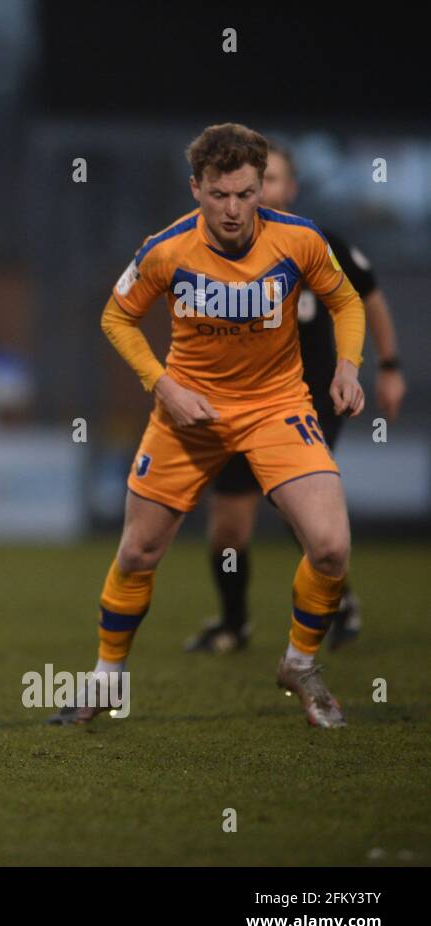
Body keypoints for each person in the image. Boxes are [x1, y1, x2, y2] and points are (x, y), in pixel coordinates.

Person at [47, 123, 364, 729]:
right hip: (187, 415)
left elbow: (346, 299)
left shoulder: (297, 240)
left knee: (330, 547)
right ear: (196, 188)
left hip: (278, 409)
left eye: (247, 193)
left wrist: (348, 366)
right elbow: (118, 317)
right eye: (220, 194)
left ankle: (299, 663)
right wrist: (163, 384)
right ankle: (106, 677)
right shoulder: (165, 249)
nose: (234, 209)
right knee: (138, 552)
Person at [185, 142, 406, 654]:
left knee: (297, 508)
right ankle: (234, 623)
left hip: (310, 399)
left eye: (276, 179)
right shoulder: (218, 245)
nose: (265, 191)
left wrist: (387, 367)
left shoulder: (316, 243)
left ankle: (336, 597)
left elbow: (367, 298)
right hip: (235, 403)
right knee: (227, 527)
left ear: (288, 187)